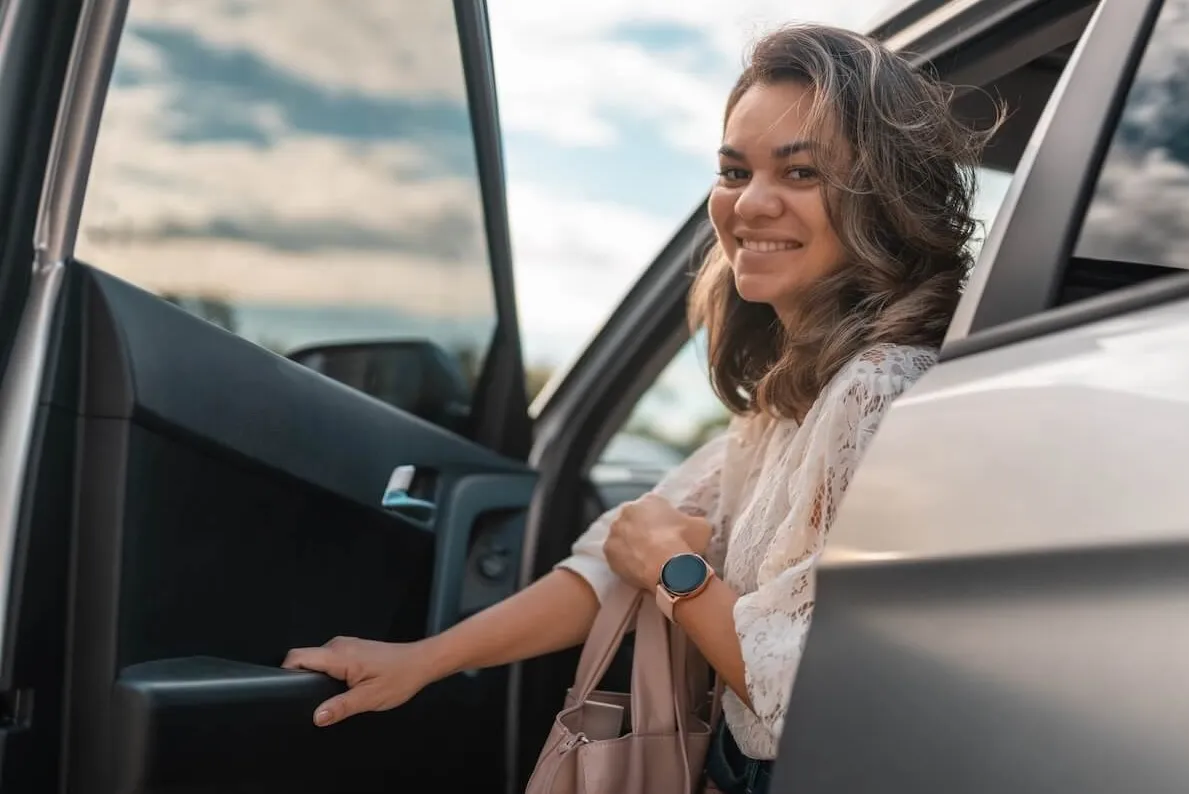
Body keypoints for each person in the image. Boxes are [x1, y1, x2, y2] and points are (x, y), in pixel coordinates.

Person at [283, 22, 993, 793]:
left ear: (878, 198)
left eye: (800, 174)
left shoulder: (882, 387)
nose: (749, 205)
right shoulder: (786, 405)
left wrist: (673, 569)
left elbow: (799, 690)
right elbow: (609, 561)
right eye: (733, 170)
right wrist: (424, 660)